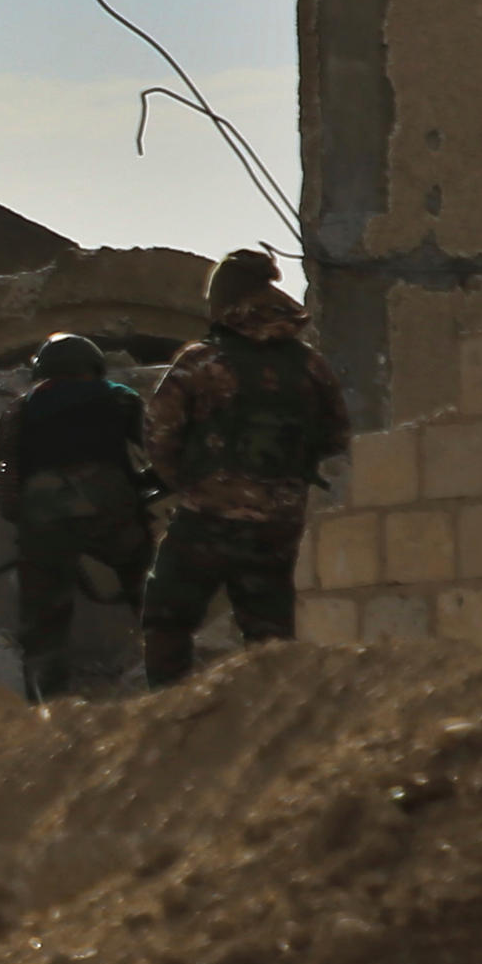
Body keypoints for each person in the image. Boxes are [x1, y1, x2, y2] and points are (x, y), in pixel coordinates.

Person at [138, 248, 352, 684]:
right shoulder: (310, 365)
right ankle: (274, 717)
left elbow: (159, 432)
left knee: (167, 617)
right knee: (270, 633)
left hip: (208, 516)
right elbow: (336, 436)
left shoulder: (203, 361)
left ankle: (166, 724)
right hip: (280, 519)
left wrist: (187, 481)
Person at [0, 334, 156, 701]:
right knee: (147, 587)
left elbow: (5, 477)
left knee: (42, 624)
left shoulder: (21, 409)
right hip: (112, 510)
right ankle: (168, 682)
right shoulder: (118, 396)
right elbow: (157, 449)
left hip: (43, 520)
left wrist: (24, 523)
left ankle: (49, 711)